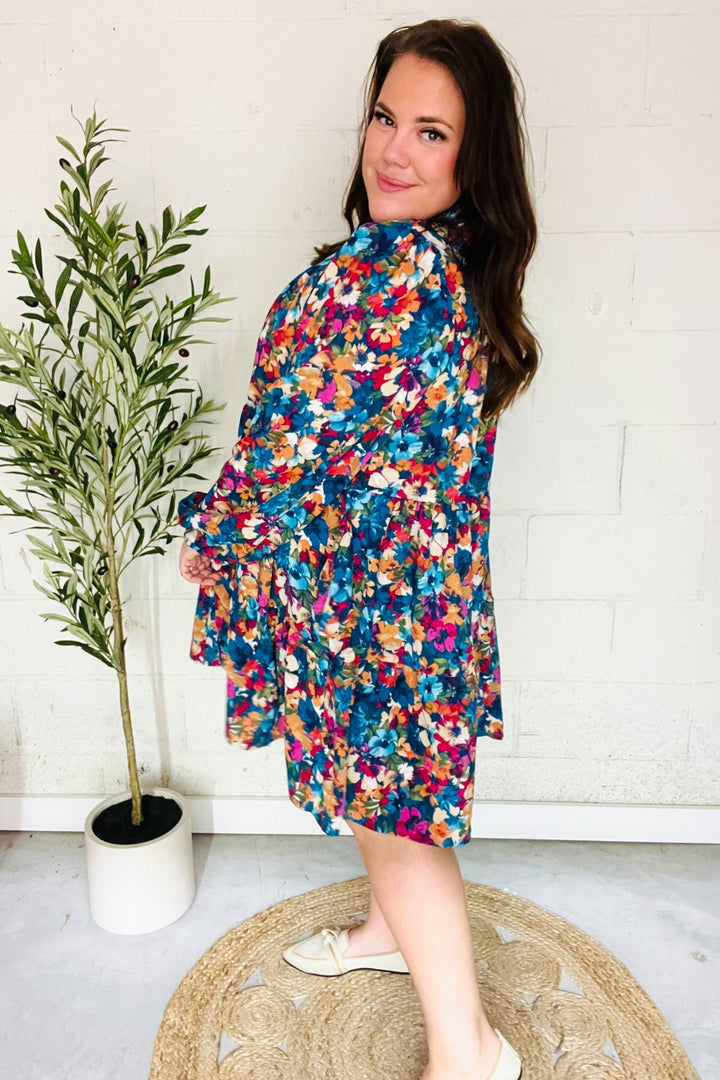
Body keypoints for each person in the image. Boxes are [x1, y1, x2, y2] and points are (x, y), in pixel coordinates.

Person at [177, 17, 539, 1080]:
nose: (393, 150)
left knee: (395, 819)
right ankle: (387, 934)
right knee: (384, 798)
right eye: (386, 118)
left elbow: (288, 441)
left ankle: (470, 1051)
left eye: (432, 132)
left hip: (375, 608)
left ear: (473, 158)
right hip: (407, 595)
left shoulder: (390, 274)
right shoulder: (446, 260)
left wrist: (216, 534)